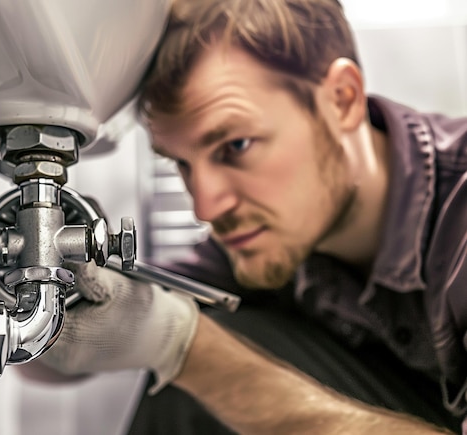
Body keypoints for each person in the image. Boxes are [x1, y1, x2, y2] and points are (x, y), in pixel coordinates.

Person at [30, 0, 467, 433]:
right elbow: (58, 358)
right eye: (182, 163)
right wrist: (61, 294)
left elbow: (180, 341)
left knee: (209, 361)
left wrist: (180, 345)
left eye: (235, 146)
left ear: (342, 99)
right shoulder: (266, 236)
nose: (206, 206)